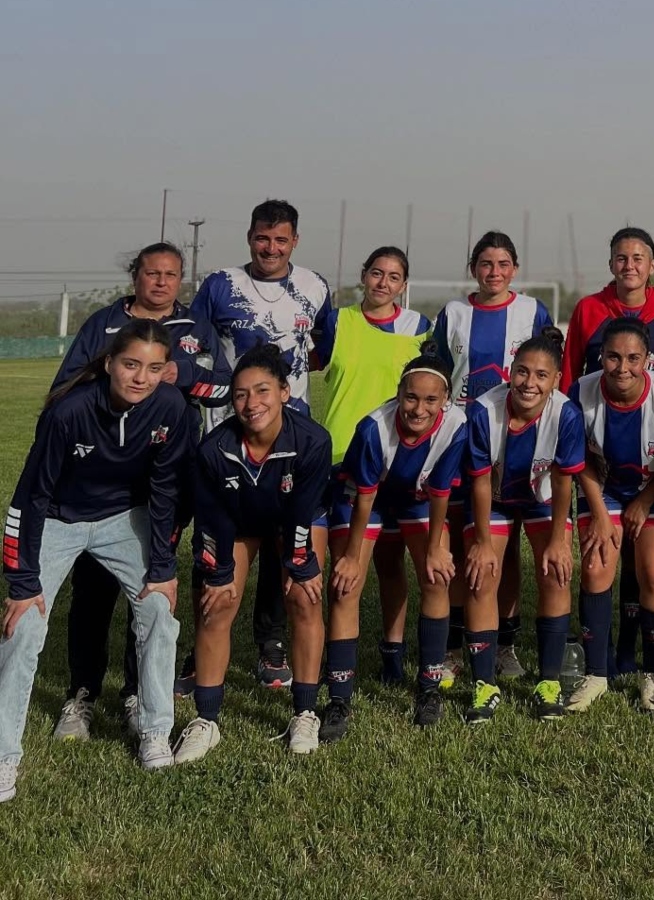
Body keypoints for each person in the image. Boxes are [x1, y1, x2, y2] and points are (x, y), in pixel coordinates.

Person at [0, 320, 192, 800]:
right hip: (60, 519)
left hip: (125, 518)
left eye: (152, 368)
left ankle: (153, 728)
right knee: (22, 625)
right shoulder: (69, 411)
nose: (140, 378)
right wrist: (22, 581)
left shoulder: (170, 406)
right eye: (130, 364)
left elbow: (167, 490)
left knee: (157, 610)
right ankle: (4, 756)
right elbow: (29, 497)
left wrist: (163, 568)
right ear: (109, 363)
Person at [49, 242, 230, 741]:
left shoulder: (194, 329)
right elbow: (65, 386)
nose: (161, 283)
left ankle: (134, 692)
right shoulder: (104, 325)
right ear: (136, 276)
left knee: (152, 585)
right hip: (100, 482)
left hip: (165, 478)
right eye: (152, 273)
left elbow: (225, 385)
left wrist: (180, 375)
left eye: (172, 275)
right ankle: (81, 693)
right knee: (92, 590)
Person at [189, 199, 333, 691]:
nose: (270, 248)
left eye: (280, 240)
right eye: (261, 238)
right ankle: (200, 650)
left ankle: (269, 643)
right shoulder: (220, 285)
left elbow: (321, 353)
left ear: (295, 241)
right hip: (225, 432)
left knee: (282, 540)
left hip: (290, 434)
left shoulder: (315, 287)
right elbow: (196, 350)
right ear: (250, 237)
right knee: (214, 535)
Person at [173, 345, 332, 762]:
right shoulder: (213, 448)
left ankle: (304, 712)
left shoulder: (313, 441)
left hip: (292, 521)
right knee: (216, 605)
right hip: (237, 523)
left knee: (304, 598)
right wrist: (220, 572)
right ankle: (206, 720)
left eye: (262, 391)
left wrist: (300, 564)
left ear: (284, 391)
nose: (250, 403)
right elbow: (211, 520)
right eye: (241, 394)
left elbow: (302, 511)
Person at [319, 347, 467, 741]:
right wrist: (351, 557)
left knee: (436, 577)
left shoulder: (457, 424)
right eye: (411, 397)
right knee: (346, 585)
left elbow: (440, 491)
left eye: (431, 399)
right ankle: (339, 697)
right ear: (399, 394)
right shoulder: (374, 428)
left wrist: (436, 547)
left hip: (415, 498)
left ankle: (429, 686)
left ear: (445, 401)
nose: (418, 408)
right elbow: (365, 494)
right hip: (362, 498)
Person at [434, 232, 554, 682]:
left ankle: (504, 645)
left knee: (503, 547)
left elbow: (546, 369)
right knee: (465, 544)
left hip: (517, 442)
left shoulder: (532, 311)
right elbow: (438, 373)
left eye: (503, 264)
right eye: (486, 263)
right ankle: (450, 647)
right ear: (473, 268)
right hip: (463, 441)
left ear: (514, 269)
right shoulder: (453, 314)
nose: (494, 272)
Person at [312, 246, 431, 687]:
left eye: (394, 276)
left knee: (391, 564)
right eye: (377, 273)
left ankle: (393, 655)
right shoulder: (337, 322)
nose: (383, 282)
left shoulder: (419, 328)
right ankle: (336, 661)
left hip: (400, 463)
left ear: (403, 284)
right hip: (342, 458)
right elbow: (314, 367)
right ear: (364, 275)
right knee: (346, 567)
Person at [461, 328, 585, 723]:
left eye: (541, 375)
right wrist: (481, 541)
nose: (530, 383)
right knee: (482, 575)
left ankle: (548, 682)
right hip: (493, 500)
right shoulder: (483, 410)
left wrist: (559, 541)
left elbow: (564, 479)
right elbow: (480, 479)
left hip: (542, 500)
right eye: (523, 372)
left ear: (555, 381)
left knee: (556, 572)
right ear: (510, 372)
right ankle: (484, 686)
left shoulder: (566, 414)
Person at [567, 318, 654, 712]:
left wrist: (646, 499)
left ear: (648, 359)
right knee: (596, 568)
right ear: (601, 356)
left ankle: (650, 674)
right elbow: (577, 457)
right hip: (604, 491)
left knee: (652, 572)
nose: (622, 367)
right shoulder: (581, 391)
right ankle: (596, 675)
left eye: (633, 358)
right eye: (613, 357)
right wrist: (600, 513)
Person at [560, 226, 654, 392]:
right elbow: (570, 369)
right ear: (611, 265)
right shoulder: (588, 308)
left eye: (637, 259)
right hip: (596, 412)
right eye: (621, 259)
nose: (629, 266)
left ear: (652, 266)